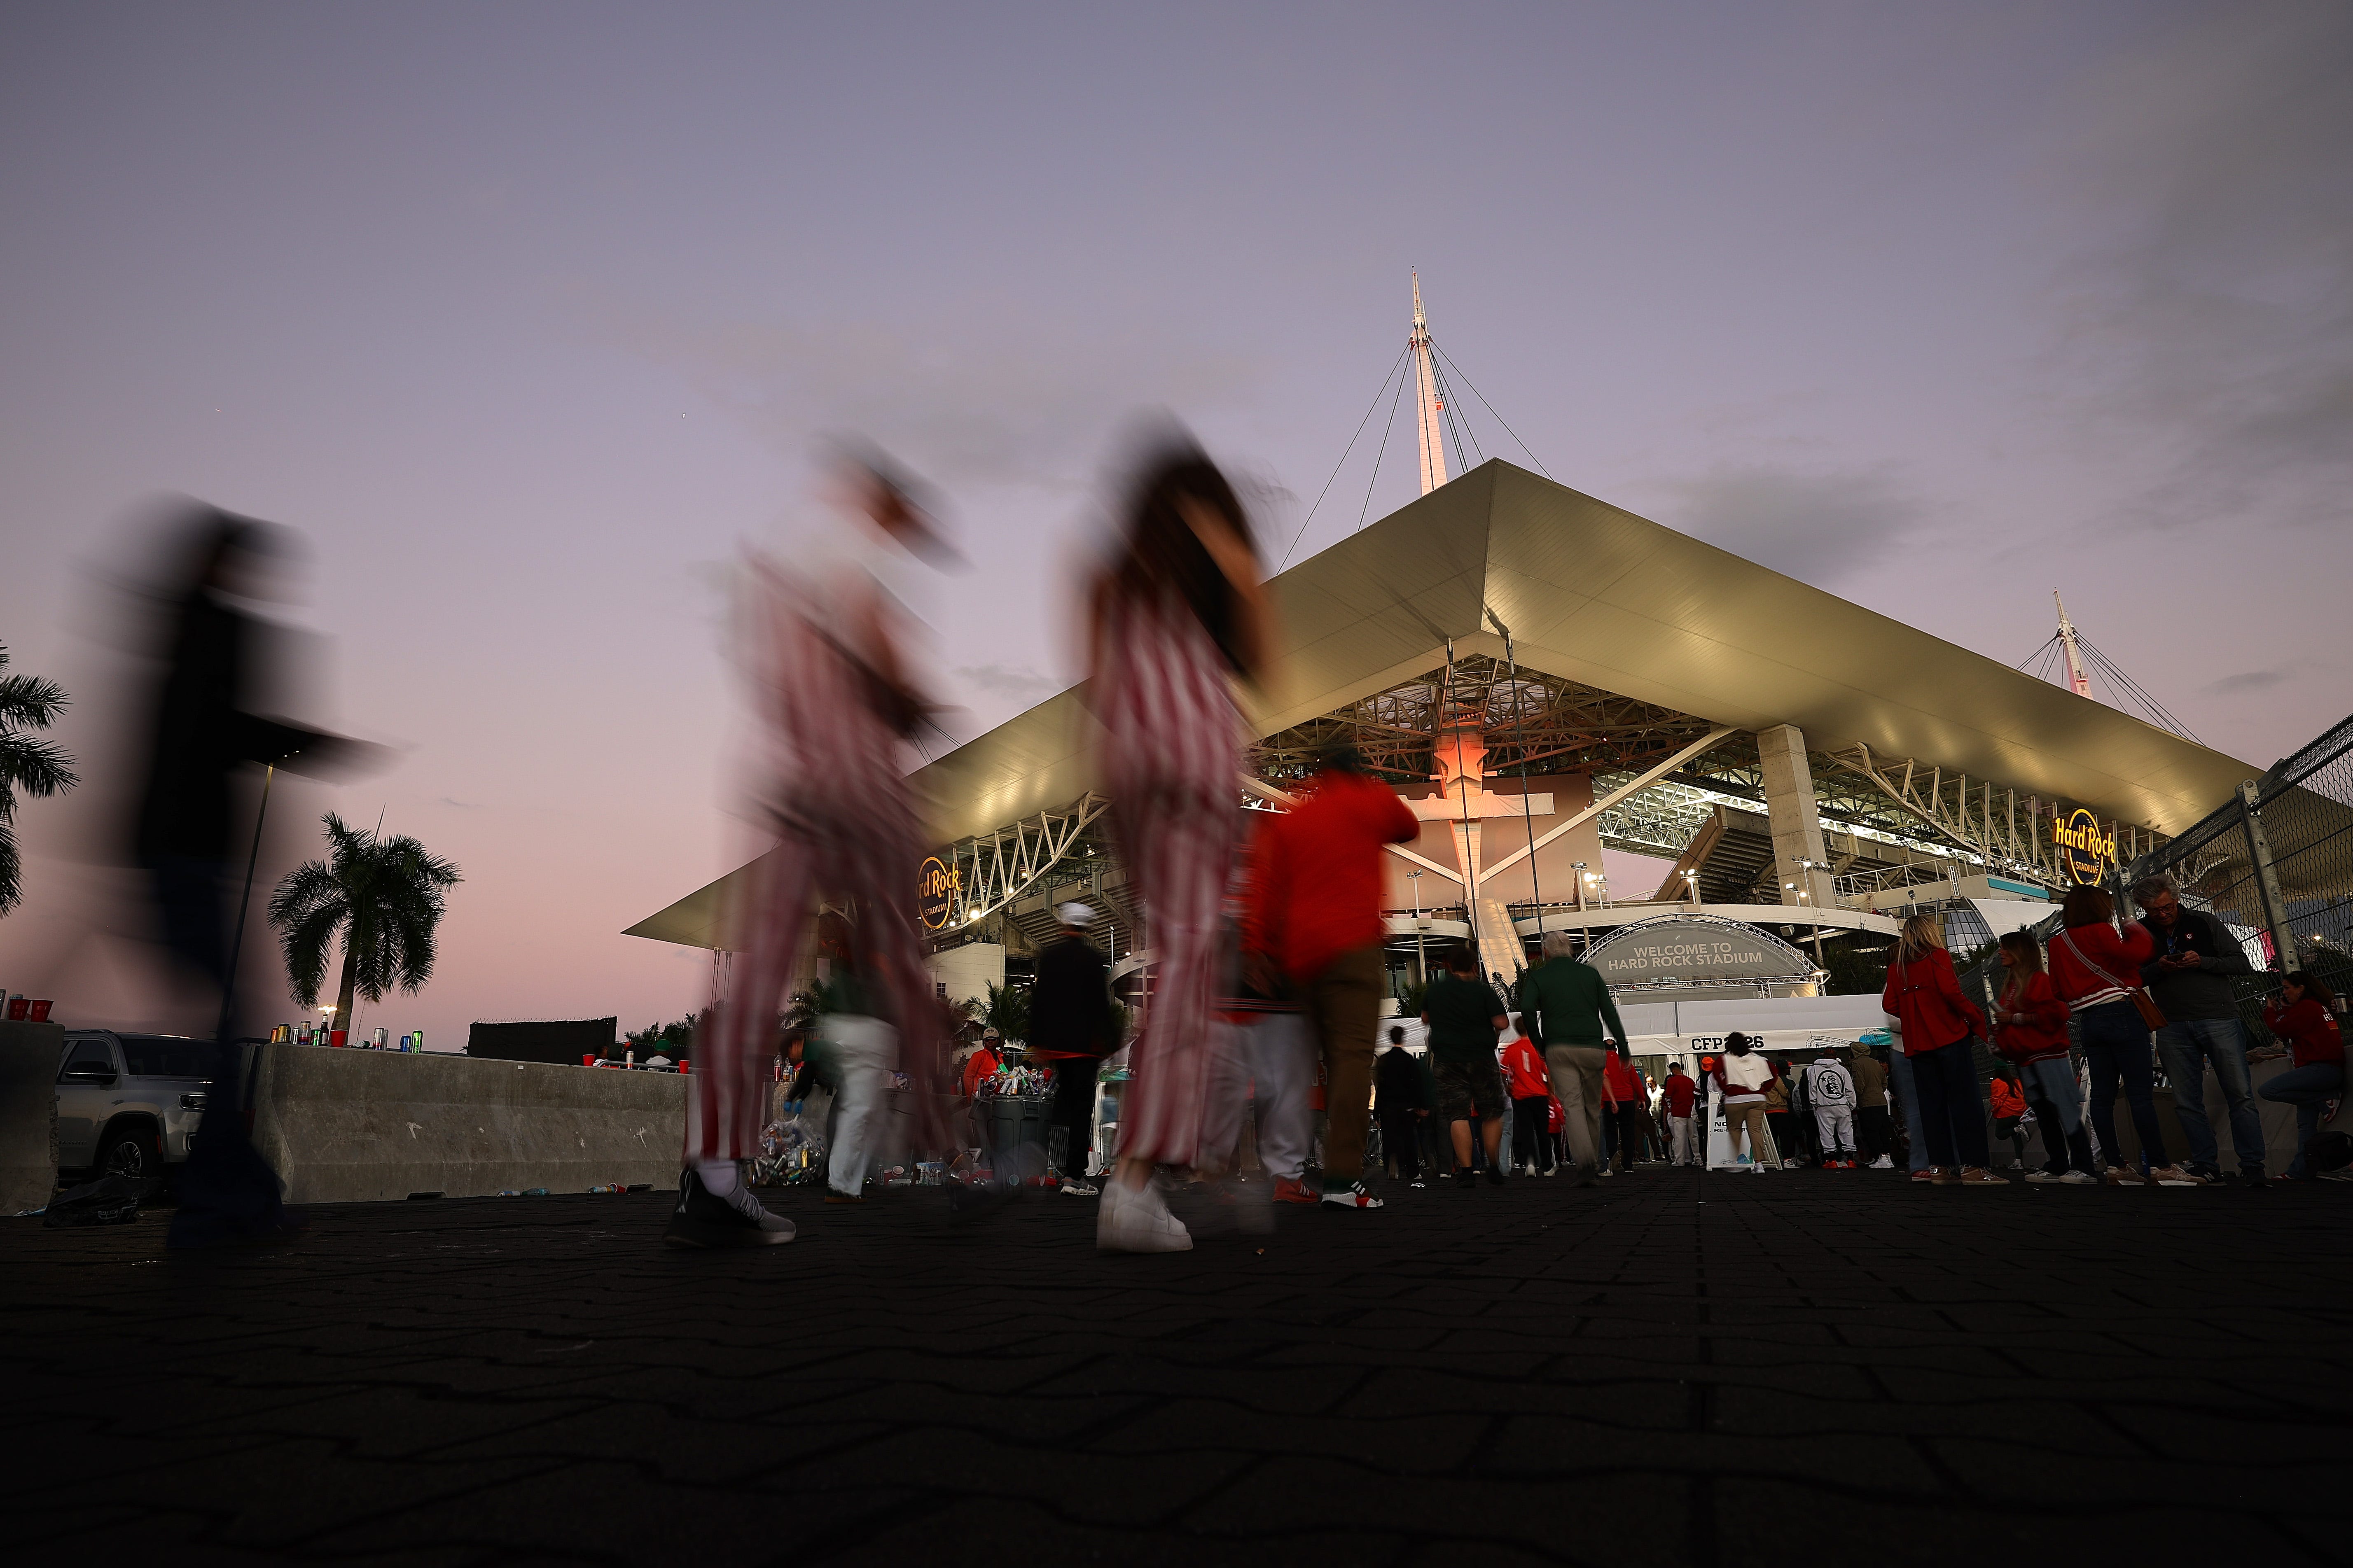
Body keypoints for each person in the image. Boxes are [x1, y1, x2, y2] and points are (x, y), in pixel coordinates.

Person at [675, 450, 953, 1248]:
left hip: (784, 774)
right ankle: (946, 1151)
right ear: (884, 502)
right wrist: (919, 703)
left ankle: (714, 1178)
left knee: (757, 976)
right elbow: (883, 658)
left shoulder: (781, 555)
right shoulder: (852, 549)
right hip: (855, 778)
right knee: (904, 946)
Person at [132, 509, 372, 1248]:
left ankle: (234, 1196)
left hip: (179, 850)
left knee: (232, 1020)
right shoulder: (206, 628)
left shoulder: (183, 625)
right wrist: (310, 742)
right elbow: (221, 727)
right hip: (185, 851)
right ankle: (225, 1201)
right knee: (232, 1018)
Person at [1087, 439, 1271, 1253]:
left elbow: (1097, 684)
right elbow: (1261, 661)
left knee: (1178, 968)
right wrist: (1234, 551)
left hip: (1132, 759)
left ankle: (1147, 1175)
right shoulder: (1212, 582)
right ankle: (1133, 1183)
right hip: (1194, 758)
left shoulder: (1114, 575)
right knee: (1189, 972)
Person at [1241, 741, 1417, 1211]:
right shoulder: (1367, 801)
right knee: (1350, 1064)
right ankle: (1342, 1178)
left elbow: (1267, 888)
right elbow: (1408, 826)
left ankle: (1287, 1173)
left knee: (1298, 1070)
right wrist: (1369, 787)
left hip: (1301, 959)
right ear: (1356, 770)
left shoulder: (1294, 822)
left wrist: (1258, 950)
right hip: (1354, 950)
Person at [2047, 885, 2197, 1185]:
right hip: (2122, 1014)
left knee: (2102, 1098)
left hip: (2088, 1021)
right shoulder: (2100, 931)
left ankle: (2116, 1167)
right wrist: (2132, 926)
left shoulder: (2057, 942)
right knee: (2139, 1095)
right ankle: (2158, 1166)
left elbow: (2058, 990)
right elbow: (2140, 952)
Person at [2132, 873, 2264, 1186]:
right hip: (2172, 1024)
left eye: (2167, 907)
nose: (2163, 914)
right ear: (2143, 908)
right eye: (2154, 911)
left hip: (2218, 1018)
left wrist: (2201, 961)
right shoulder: (2139, 934)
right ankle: (2205, 1164)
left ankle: (2253, 1166)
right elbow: (2132, 978)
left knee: (2240, 1095)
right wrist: (2158, 969)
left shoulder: (2204, 922)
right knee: (2187, 1101)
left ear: (2175, 900)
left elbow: (2240, 962)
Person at [1880, 914, 2006, 1186]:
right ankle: (1973, 1167)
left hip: (1917, 1046)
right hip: (1948, 1038)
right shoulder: (1938, 956)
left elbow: (1889, 1005)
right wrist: (1974, 1018)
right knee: (1965, 1105)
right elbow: (1951, 993)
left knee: (1931, 1108)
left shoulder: (1896, 968)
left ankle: (1939, 1167)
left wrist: (1916, 1013)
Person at [1990, 929, 2100, 1184]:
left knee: (2063, 1109)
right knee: (2045, 1112)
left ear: (2020, 952)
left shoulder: (2038, 981)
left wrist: (2014, 1019)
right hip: (2028, 1058)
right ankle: (2058, 1164)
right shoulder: (2013, 984)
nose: (2000, 952)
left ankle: (2084, 1166)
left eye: (2005, 948)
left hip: (2048, 1056)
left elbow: (2058, 1014)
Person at [1521, 930, 1629, 1186]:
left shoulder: (1539, 977)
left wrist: (1539, 1045)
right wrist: (1623, 1047)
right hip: (1593, 1049)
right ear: (1571, 949)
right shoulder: (1590, 974)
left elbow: (1526, 1010)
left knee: (1572, 1107)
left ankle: (1585, 1164)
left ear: (1546, 952)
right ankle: (1594, 1161)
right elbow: (1609, 1012)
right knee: (1593, 1108)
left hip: (1559, 1049)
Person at [1028, 901, 1116, 1194]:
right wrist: (1110, 1043)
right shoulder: (1092, 958)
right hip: (1085, 1048)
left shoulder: (1050, 956)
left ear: (1063, 924)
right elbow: (1100, 1005)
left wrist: (1038, 1041)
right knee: (1082, 1111)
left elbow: (1039, 1001)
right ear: (1086, 926)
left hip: (1057, 1048)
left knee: (1060, 1107)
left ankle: (1048, 1164)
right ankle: (1074, 1176)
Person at [1421, 946, 1511, 1187]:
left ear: (1449, 967)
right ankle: (1493, 1164)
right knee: (1491, 1112)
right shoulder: (1483, 991)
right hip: (1481, 1057)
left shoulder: (1436, 991)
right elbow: (1502, 1023)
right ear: (1474, 966)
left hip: (1447, 1060)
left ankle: (1467, 1172)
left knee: (1457, 1115)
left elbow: (1425, 1018)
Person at [2256, 971, 2346, 1183]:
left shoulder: (2308, 1007)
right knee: (2306, 1125)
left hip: (2320, 1070)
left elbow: (2281, 1028)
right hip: (2324, 1070)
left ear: (2301, 988)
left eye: (2288, 988)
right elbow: (2293, 1025)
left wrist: (2270, 1012)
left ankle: (2323, 1099)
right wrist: (2286, 1009)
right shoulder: (2315, 1007)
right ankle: (2299, 1171)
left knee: (2267, 1090)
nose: (2284, 993)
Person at [1374, 1026, 1435, 1187]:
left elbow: (1380, 1088)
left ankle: (1391, 1165)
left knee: (1390, 1138)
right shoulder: (1409, 1060)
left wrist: (1376, 1112)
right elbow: (1417, 1086)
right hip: (1407, 1106)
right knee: (1409, 1138)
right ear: (1403, 1037)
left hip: (1388, 1107)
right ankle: (1413, 1170)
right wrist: (1420, 1106)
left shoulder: (1383, 1061)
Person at [1710, 1034, 1776, 1171]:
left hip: (1735, 1099)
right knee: (1756, 1131)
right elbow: (1774, 1072)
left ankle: (1737, 1159)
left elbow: (1716, 1073)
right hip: (1758, 1098)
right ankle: (1759, 1165)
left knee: (1735, 1129)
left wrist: (1726, 1089)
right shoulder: (1757, 1058)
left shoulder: (1724, 1059)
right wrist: (1765, 1089)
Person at [1500, 1016, 1554, 1175]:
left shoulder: (1511, 1050)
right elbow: (1548, 1074)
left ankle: (1530, 1162)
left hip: (1520, 1096)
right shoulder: (1538, 1049)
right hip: (1539, 1095)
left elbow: (1503, 1073)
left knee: (1526, 1131)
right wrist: (1551, 1092)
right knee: (1543, 1131)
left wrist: (1509, 1087)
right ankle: (1547, 1166)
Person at [1601, 1042, 1647, 1174]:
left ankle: (1610, 1160)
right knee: (1628, 1132)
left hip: (1607, 1100)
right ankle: (1628, 1165)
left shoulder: (1601, 1062)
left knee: (1609, 1132)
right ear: (1616, 1048)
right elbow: (1636, 1081)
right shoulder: (1625, 1062)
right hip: (1627, 1100)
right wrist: (1641, 1098)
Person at [1808, 1048, 1858, 1169]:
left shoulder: (1814, 1069)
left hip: (1824, 1105)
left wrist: (1815, 1103)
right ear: (1836, 1056)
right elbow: (1849, 1089)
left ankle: (1831, 1160)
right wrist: (1852, 1104)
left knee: (1826, 1133)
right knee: (1847, 1132)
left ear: (1824, 1056)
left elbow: (1813, 1087)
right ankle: (1850, 1160)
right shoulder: (1842, 1070)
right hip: (1842, 1105)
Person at [1851, 1040, 1893, 1169]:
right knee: (1884, 1131)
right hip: (1881, 1101)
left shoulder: (1857, 1064)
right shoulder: (1876, 1063)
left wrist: (1859, 1097)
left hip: (1867, 1103)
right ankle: (1887, 1158)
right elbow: (1884, 1083)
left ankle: (1880, 1157)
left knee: (1871, 1132)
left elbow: (1859, 1085)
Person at [1988, 1067, 2029, 1170]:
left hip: (2006, 1112)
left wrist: (1995, 1110)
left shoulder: (1997, 1082)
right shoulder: (2016, 1081)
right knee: (2016, 1138)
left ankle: (2017, 1129)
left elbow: (1996, 1100)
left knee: (2000, 1134)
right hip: (2020, 1111)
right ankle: (2018, 1162)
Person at [1661, 1060, 1700, 1166]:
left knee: (1679, 1138)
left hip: (1678, 1112)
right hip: (1691, 1112)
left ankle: (1680, 1160)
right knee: (1694, 1137)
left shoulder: (1672, 1081)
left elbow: (1668, 1095)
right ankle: (1698, 1159)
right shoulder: (1690, 1081)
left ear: (1673, 1071)